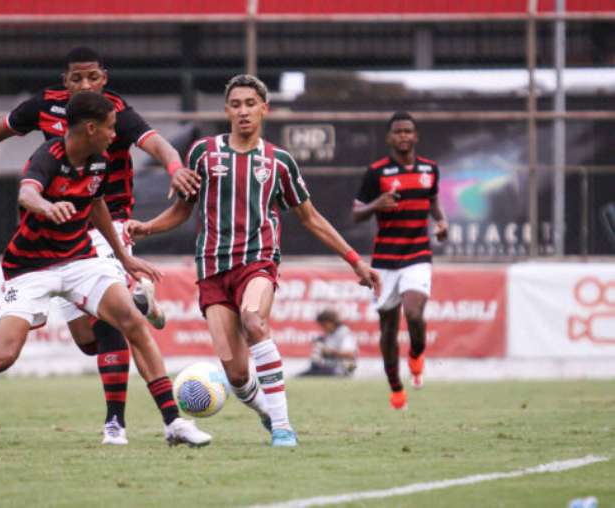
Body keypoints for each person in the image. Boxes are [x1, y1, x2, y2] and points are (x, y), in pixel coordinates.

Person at [0, 46, 201, 445]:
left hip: (83, 252)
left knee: (126, 323)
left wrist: (126, 255)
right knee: (12, 353)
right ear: (87, 123)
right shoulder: (49, 149)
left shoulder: (105, 146)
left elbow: (100, 200)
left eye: (93, 77)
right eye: (77, 77)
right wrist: (44, 204)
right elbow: (26, 190)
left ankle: (153, 424)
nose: (115, 134)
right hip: (33, 264)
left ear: (104, 78)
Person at [125, 74, 381, 447]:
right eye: (236, 104)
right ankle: (265, 410)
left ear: (265, 108)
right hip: (212, 269)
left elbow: (311, 218)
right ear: (227, 110)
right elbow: (182, 211)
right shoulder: (202, 153)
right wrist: (147, 228)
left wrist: (355, 260)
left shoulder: (279, 162)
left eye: (250, 103)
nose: (243, 111)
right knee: (238, 374)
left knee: (254, 319)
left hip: (257, 262)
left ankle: (282, 426)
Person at [352, 111, 448, 411]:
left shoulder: (430, 169)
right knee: (388, 329)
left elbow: (432, 201)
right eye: (398, 132)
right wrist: (376, 205)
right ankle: (395, 387)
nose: (403, 136)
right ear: (389, 137)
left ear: (415, 136)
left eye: (408, 131)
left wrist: (442, 222)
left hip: (418, 254)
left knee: (415, 313)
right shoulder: (376, 172)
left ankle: (417, 355)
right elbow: (356, 213)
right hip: (384, 260)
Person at [299, 309, 358, 377]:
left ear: (331, 322)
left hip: (347, 369)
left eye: (324, 325)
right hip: (333, 367)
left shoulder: (345, 333)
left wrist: (329, 351)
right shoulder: (330, 334)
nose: (323, 328)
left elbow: (350, 354)